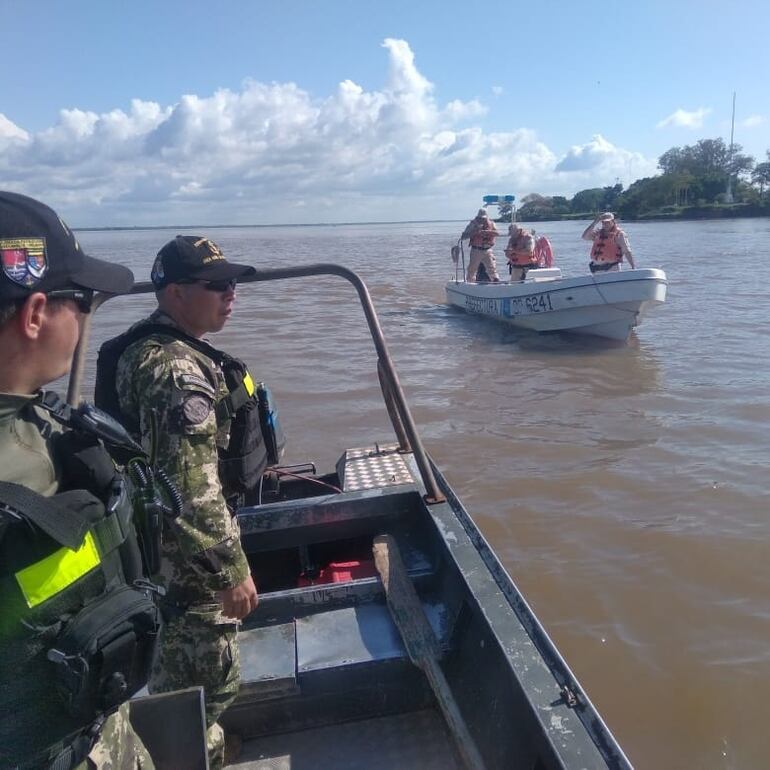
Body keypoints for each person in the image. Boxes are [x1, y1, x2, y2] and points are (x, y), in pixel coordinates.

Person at [0, 191, 158, 769]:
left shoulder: (37, 422)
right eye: (83, 300)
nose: (87, 317)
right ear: (36, 312)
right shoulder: (21, 466)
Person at [94, 236, 265, 770]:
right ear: (174, 293)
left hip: (158, 548)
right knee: (208, 681)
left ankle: (204, 747)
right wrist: (229, 570)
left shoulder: (157, 349)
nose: (230, 294)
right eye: (216, 285)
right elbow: (189, 485)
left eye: (233, 283)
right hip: (187, 562)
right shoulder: (176, 370)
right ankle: (196, 755)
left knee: (191, 679)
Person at [461, 209, 501, 282]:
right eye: (481, 218)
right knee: (472, 269)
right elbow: (463, 236)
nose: (482, 220)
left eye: (484, 218)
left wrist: (487, 232)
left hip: (488, 250)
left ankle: (496, 282)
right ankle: (470, 283)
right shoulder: (473, 224)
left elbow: (497, 233)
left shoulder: (491, 223)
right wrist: (475, 231)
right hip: (476, 249)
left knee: (492, 268)